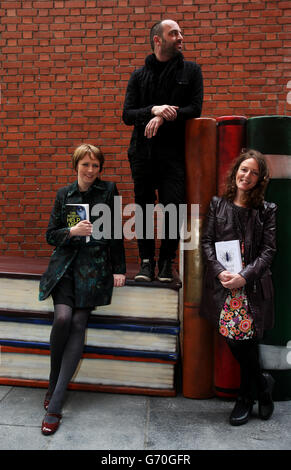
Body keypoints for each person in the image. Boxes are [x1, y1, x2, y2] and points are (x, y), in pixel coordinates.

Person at [39, 143, 126, 435]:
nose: (90, 171)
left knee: (77, 322)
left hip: (93, 270)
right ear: (76, 165)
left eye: (95, 166)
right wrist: (72, 232)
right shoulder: (64, 194)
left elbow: (115, 233)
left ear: (100, 169)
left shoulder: (108, 191)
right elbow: (51, 235)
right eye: (85, 165)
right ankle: (53, 383)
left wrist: (120, 268)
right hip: (65, 268)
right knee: (62, 318)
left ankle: (55, 403)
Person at [199, 149, 277, 426]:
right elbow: (206, 242)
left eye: (254, 172)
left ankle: (246, 398)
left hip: (251, 287)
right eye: (244, 169)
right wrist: (220, 272)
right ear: (235, 172)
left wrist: (244, 276)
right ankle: (263, 387)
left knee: (245, 341)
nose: (248, 175)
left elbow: (268, 251)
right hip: (223, 287)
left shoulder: (266, 211)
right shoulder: (218, 204)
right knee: (238, 341)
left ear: (260, 178)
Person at [122, 19, 203, 282]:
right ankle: (147, 263)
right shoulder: (138, 76)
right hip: (142, 154)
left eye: (180, 32)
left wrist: (167, 114)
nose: (181, 37)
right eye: (174, 33)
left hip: (174, 154)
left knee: (173, 207)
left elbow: (195, 109)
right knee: (143, 208)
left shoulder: (190, 71)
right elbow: (127, 115)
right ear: (158, 39)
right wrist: (153, 110)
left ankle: (167, 263)